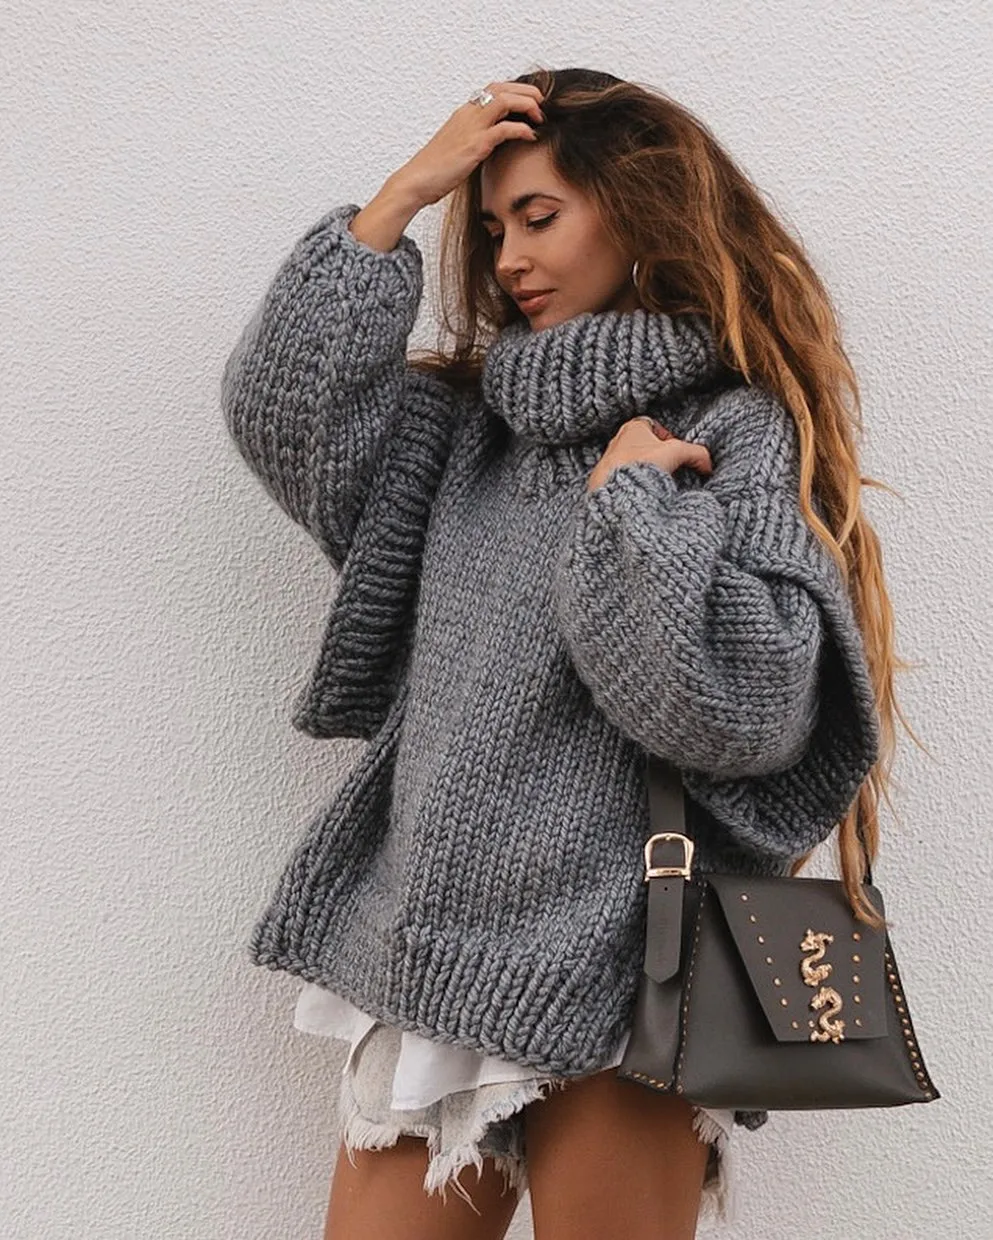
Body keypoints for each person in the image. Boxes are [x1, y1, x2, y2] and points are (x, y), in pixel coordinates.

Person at [221, 66, 897, 1240]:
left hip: (624, 971)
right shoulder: (465, 432)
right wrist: (402, 197)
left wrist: (632, 509)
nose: (511, 259)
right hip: (431, 953)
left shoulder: (733, 428)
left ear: (637, 213)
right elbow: (285, 420)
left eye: (540, 216)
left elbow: (742, 707)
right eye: (492, 230)